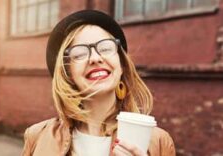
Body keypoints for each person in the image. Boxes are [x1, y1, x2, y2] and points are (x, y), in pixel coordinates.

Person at [21, 10, 175, 156]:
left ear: (121, 65)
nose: (95, 58)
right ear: (68, 74)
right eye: (79, 53)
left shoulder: (158, 142)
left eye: (106, 48)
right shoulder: (37, 137)